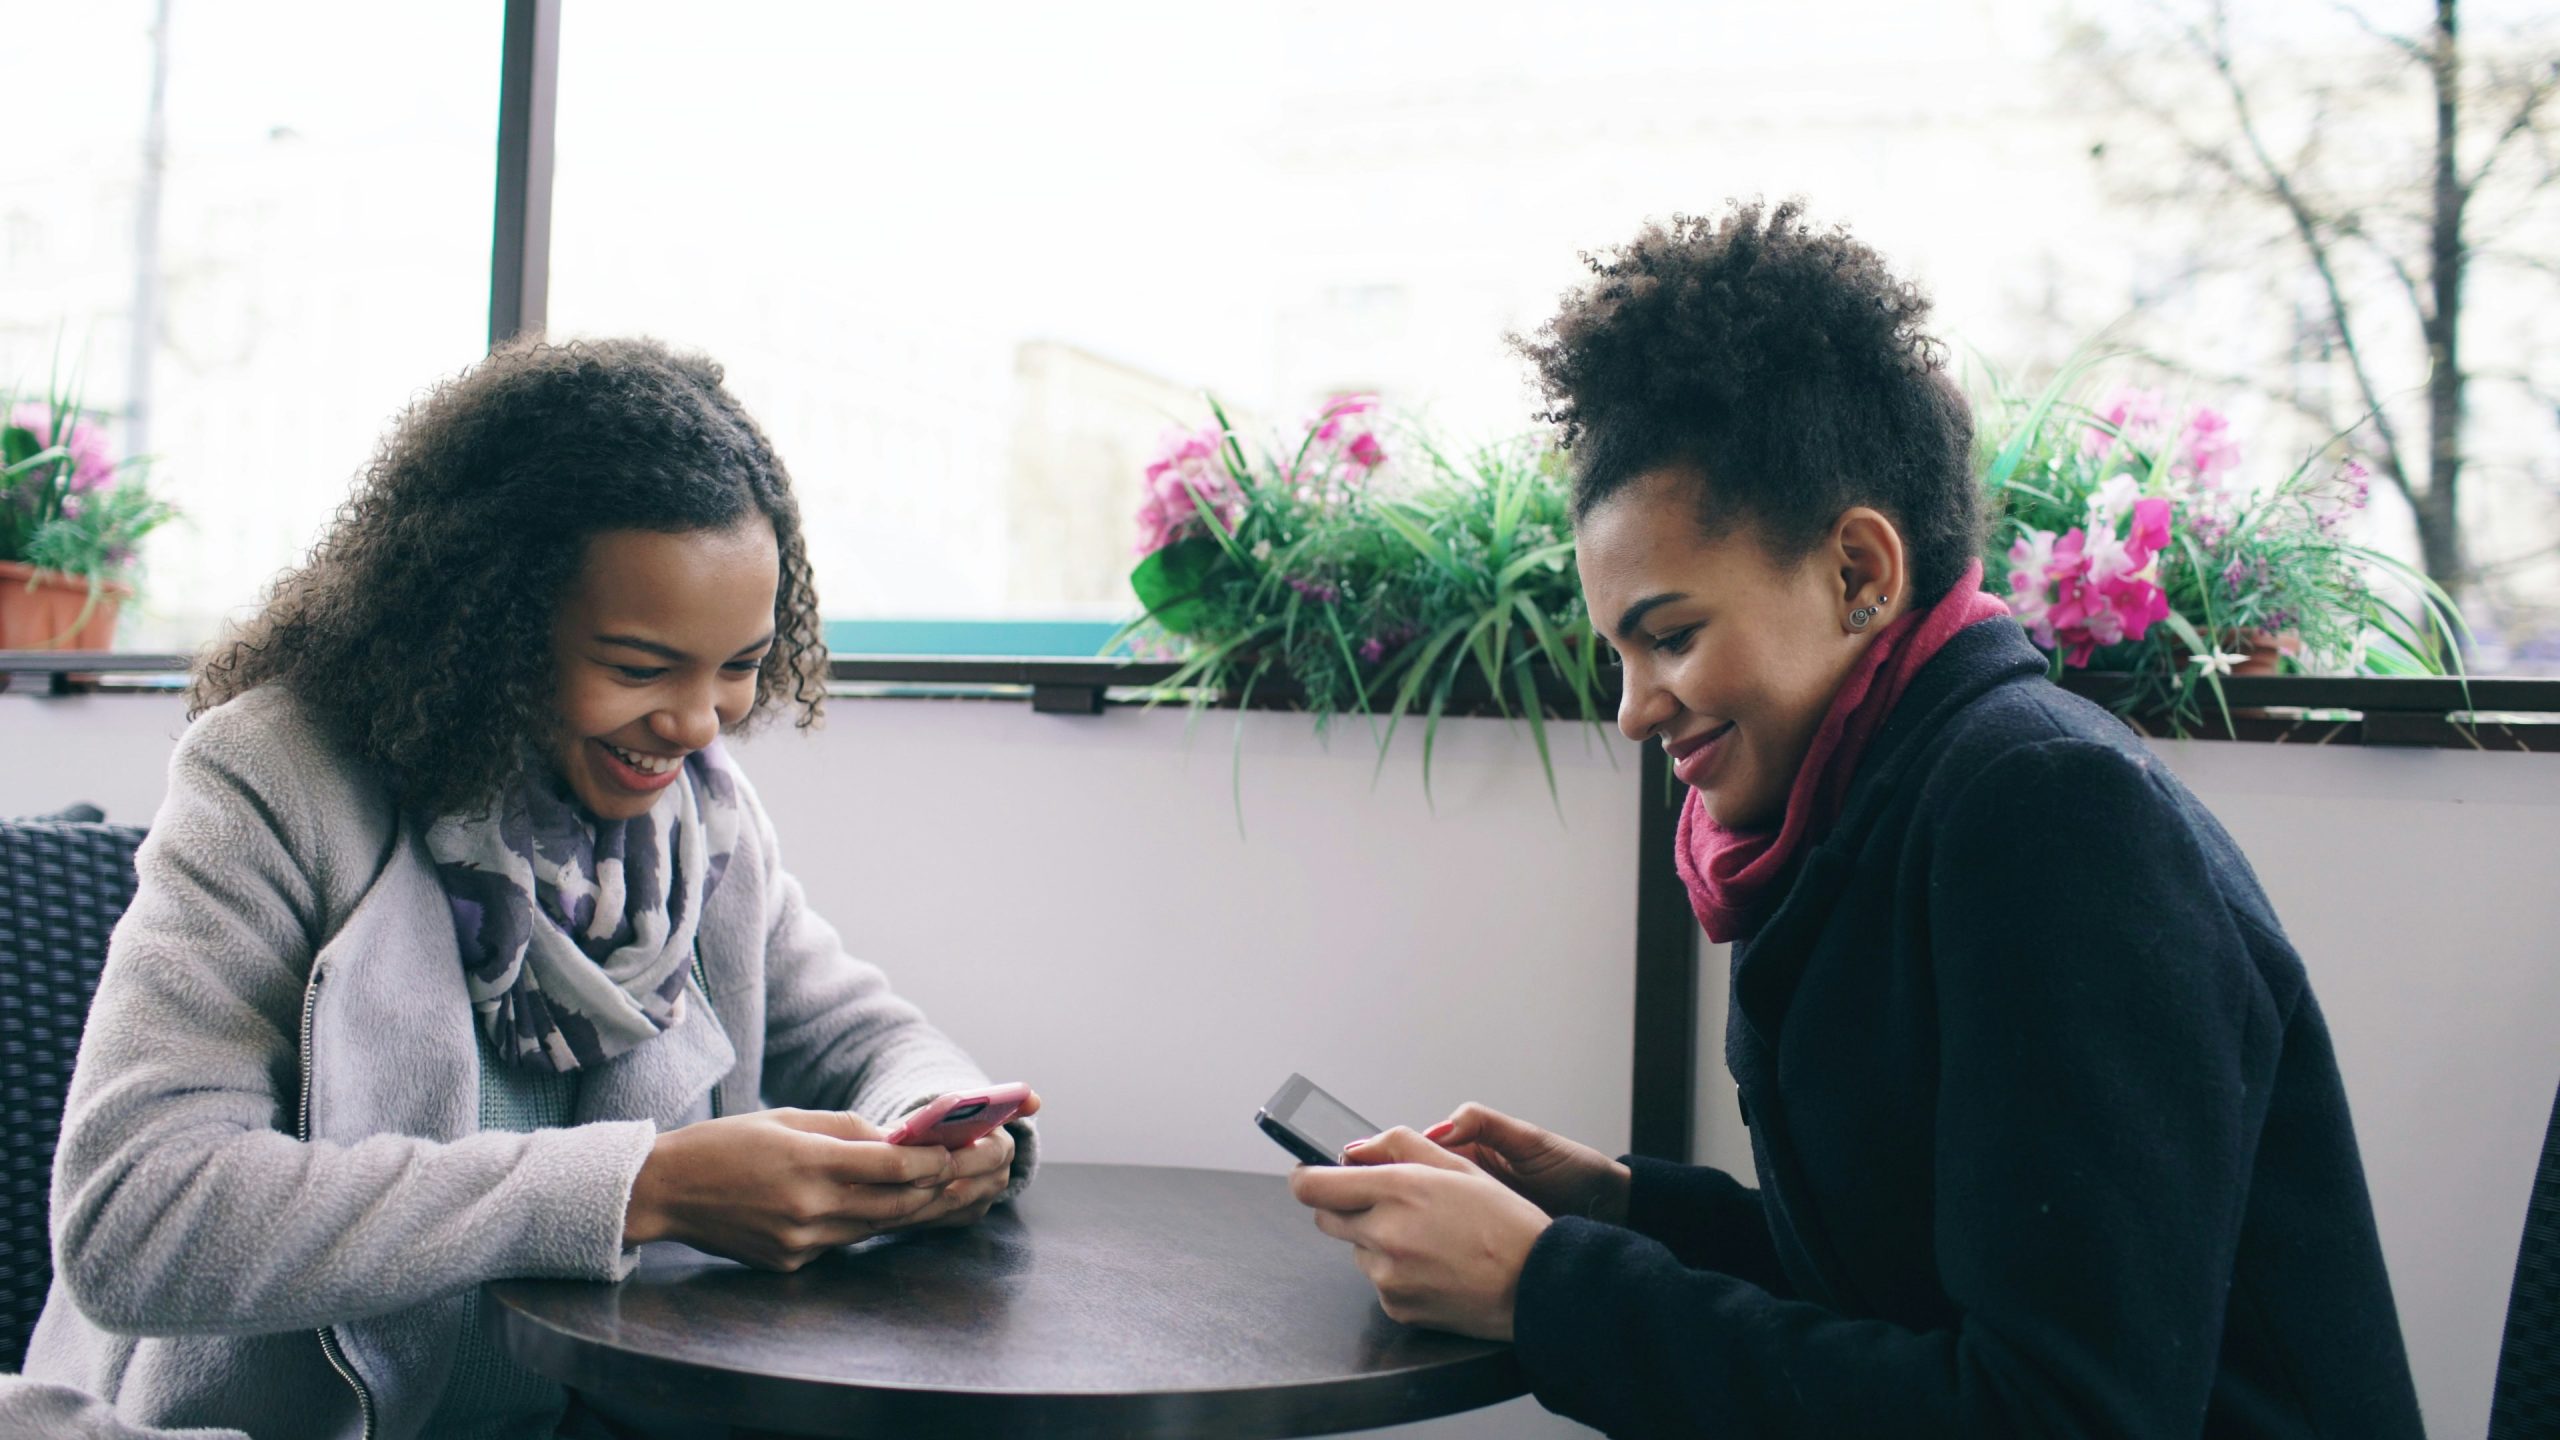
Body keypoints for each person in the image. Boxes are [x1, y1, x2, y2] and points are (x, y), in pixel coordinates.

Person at [1289, 200, 2423, 1437]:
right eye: (1618, 653)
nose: (1631, 711)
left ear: (1859, 575)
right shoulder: (1890, 801)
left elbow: (2057, 1414)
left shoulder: (2048, 816)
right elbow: (1915, 1288)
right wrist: (1615, 1213)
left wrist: (1545, 1288)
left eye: (1668, 636)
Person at [26, 338, 1039, 1439]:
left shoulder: (698, 819)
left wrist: (932, 1134)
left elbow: (864, 1039)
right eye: (640, 668)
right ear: (491, 628)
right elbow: (139, 1219)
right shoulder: (276, 781)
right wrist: (640, 1188)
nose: (699, 725)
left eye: (740, 667)